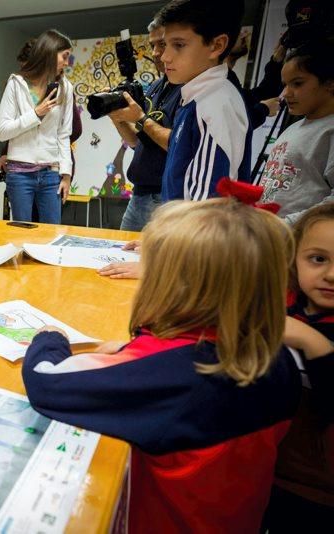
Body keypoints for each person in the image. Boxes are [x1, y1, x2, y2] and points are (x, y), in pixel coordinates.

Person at [22, 197, 334, 532]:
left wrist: (50, 339)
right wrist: (137, 349)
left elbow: (47, 383)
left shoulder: (174, 377)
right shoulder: (278, 358)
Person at [262, 202, 334, 531]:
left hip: (317, 492)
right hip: (269, 469)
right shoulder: (284, 303)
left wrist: (316, 345)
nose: (331, 275)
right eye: (318, 259)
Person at [156, 0, 252, 201]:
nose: (165, 56)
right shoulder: (195, 98)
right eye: (166, 45)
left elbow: (208, 205)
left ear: (217, 45)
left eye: (179, 45)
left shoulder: (214, 103)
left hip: (193, 230)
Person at [107, 20, 183, 231]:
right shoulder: (158, 86)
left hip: (165, 197)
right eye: (153, 46)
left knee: (157, 262)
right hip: (139, 194)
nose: (157, 53)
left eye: (162, 45)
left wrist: (140, 118)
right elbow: (136, 143)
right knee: (121, 257)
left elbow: (177, 143)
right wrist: (117, 118)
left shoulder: (188, 90)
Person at [0, 29, 74, 223]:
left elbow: (64, 135)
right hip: (19, 176)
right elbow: (3, 131)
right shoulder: (16, 84)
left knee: (51, 235)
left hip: (50, 175)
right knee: (21, 235)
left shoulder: (66, 88)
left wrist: (66, 176)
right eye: (64, 56)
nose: (67, 62)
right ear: (49, 52)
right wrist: (36, 114)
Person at [257, 40, 334, 224]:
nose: (286, 93)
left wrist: (290, 225)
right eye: (285, 85)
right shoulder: (293, 128)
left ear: (330, 83)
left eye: (297, 84)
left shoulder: (329, 131)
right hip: (269, 236)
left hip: (297, 240)